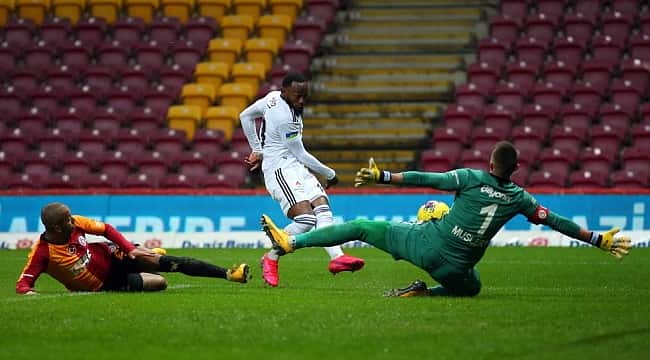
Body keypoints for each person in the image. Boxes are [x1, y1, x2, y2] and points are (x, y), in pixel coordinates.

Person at [260, 141, 632, 297]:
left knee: (359, 227)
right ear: (515, 169)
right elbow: (556, 221)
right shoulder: (520, 197)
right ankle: (426, 291)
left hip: (424, 244)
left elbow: (427, 179)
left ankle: (290, 241)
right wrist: (597, 239)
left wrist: (385, 177)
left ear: (490, 165)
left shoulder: (471, 178)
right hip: (454, 269)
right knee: (473, 289)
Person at [239, 72, 365, 287]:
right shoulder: (284, 118)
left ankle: (337, 258)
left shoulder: (272, 98)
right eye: (297, 96)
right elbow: (301, 153)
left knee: (323, 210)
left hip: (295, 167)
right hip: (279, 170)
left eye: (305, 96)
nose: (301, 101)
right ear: (284, 91)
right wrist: (330, 174)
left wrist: (257, 149)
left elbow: (246, 116)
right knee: (306, 221)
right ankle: (271, 258)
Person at [16, 202, 250, 295]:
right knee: (160, 283)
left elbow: (106, 229)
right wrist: (28, 292)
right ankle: (146, 257)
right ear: (55, 227)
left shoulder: (75, 222)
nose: (73, 221)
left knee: (166, 263)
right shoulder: (42, 253)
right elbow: (23, 284)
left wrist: (128, 248)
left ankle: (230, 274)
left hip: (112, 256)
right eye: (67, 221)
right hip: (106, 285)